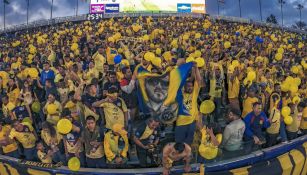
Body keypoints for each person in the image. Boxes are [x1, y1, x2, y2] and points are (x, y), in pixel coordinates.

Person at [174, 63, 202, 145]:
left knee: (189, 144)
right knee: (179, 144)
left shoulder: (194, 94)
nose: (190, 88)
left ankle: (187, 157)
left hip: (191, 123)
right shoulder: (180, 94)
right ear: (184, 87)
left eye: (191, 86)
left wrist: (196, 68)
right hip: (180, 124)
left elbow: (199, 80)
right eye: (188, 86)